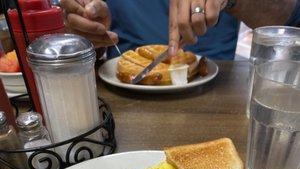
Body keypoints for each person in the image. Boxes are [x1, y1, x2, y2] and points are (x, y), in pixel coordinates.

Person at [60, 0, 300, 59]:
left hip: (214, 94)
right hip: (120, 95)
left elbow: (290, 18)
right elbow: (76, 21)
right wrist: (85, 25)